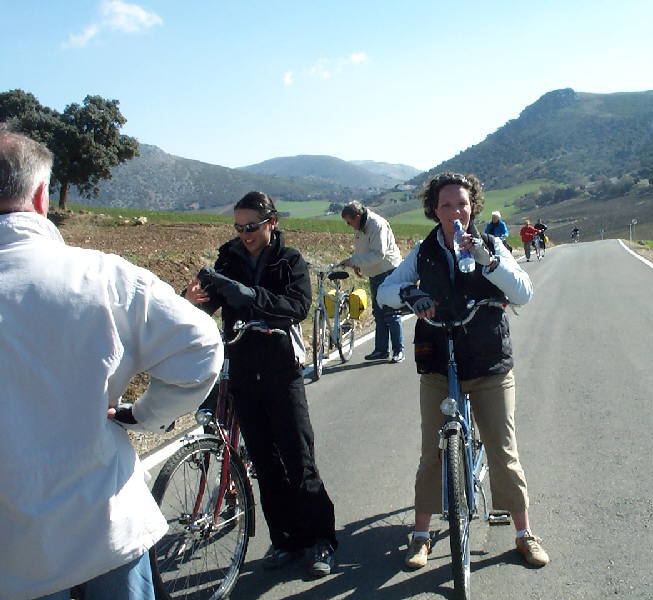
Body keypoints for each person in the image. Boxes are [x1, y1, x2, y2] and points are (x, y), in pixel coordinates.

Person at [0, 126, 224, 600]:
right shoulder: (102, 276)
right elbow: (201, 346)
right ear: (40, 196)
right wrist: (144, 415)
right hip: (105, 525)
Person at [377, 172, 550, 571]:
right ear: (434, 210)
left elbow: (523, 292)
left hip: (488, 361)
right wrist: (410, 293)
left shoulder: (491, 244)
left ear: (474, 207)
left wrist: (489, 262)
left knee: (503, 450)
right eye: (447, 205)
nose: (456, 212)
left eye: (463, 204)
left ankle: (524, 533)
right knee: (432, 452)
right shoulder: (423, 251)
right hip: (439, 360)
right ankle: (421, 535)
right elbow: (386, 291)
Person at [184, 191, 337, 577]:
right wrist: (191, 301)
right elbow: (209, 306)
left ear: (272, 222)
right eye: (239, 228)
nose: (245, 234)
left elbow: (297, 306)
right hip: (242, 368)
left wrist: (250, 295)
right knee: (265, 464)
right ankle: (285, 540)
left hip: (281, 370)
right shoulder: (229, 258)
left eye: (251, 226)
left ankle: (320, 540)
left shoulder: (290, 260)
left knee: (298, 459)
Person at [340, 201, 405, 363]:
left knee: (391, 312)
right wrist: (357, 264)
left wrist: (354, 261)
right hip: (375, 272)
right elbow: (362, 249)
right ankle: (381, 350)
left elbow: (378, 254)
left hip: (388, 271)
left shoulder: (377, 225)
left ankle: (398, 350)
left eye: (349, 222)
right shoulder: (360, 226)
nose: (349, 226)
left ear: (357, 216)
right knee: (378, 312)